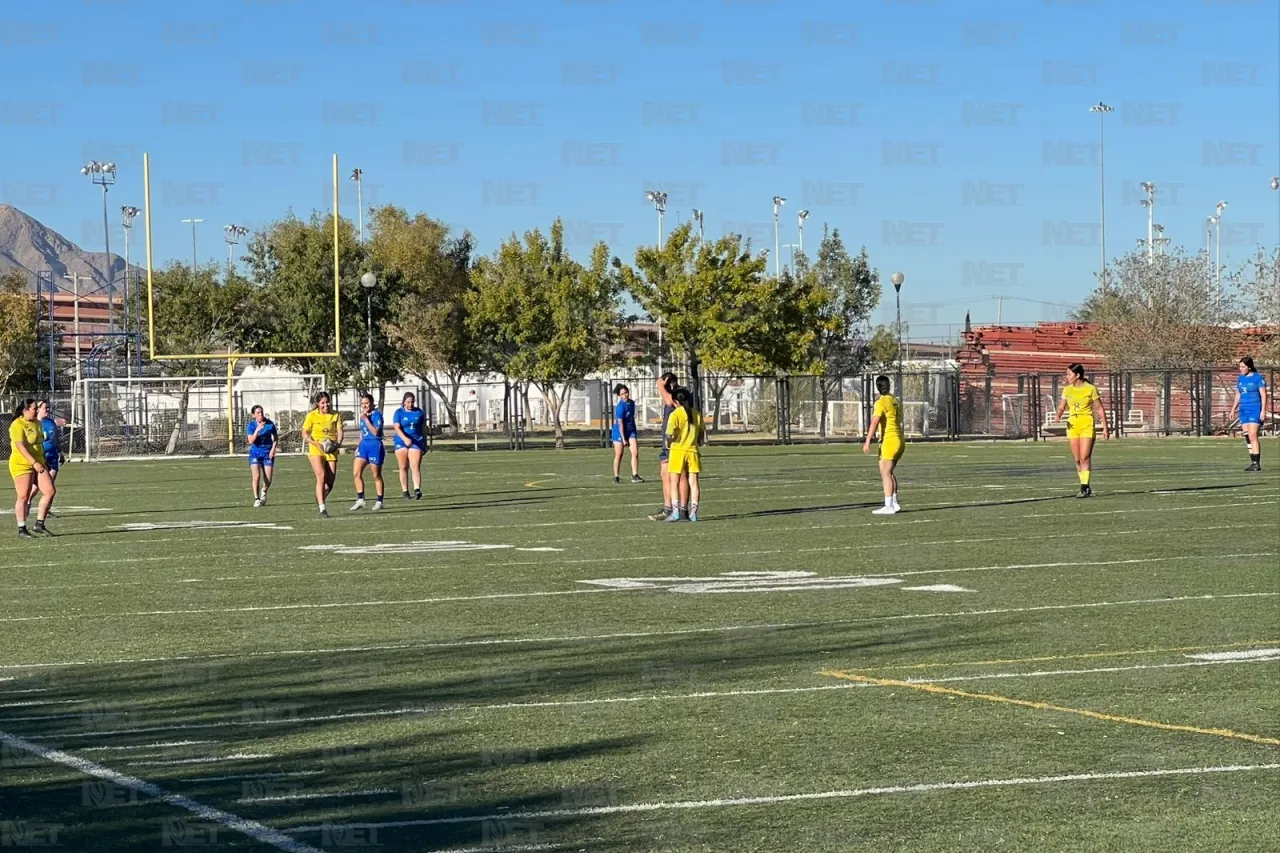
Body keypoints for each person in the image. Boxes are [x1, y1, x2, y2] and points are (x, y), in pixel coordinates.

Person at [1055, 363, 1109, 497]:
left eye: (1069, 374)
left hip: (1087, 424)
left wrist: (1105, 428)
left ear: (1077, 375)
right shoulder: (1067, 390)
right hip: (1073, 425)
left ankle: (1084, 487)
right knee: (1077, 459)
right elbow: (1062, 406)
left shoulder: (1090, 389)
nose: (1067, 377)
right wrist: (1058, 415)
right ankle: (1085, 485)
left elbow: (1099, 409)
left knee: (1085, 457)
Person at [9, 399, 54, 538]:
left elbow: (39, 444)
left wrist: (42, 461)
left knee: (50, 491)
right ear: (25, 410)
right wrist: (33, 462)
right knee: (23, 496)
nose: (36, 411)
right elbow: (20, 446)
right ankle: (22, 528)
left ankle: (39, 524)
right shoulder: (17, 424)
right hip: (22, 464)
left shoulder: (37, 423)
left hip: (39, 463)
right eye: (34, 408)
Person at [863, 375, 904, 515]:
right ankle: (894, 502)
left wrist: (868, 440)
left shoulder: (880, 402)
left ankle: (888, 506)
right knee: (890, 472)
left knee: (885, 473)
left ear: (878, 387)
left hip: (889, 440)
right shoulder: (895, 400)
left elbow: (875, 421)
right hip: (900, 440)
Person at [649, 373, 688, 521]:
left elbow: (670, 402)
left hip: (679, 442)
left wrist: (660, 385)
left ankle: (683, 509)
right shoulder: (670, 393)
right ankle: (668, 508)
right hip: (667, 441)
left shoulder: (681, 392)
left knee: (681, 476)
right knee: (665, 474)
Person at [664, 386, 703, 522]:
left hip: (678, 451)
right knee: (694, 483)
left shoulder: (675, 414)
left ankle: (675, 513)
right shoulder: (697, 414)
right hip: (692, 450)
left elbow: (669, 434)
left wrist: (668, 442)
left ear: (675, 401)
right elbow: (701, 435)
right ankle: (693, 513)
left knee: (674, 482)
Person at [302, 391, 342, 518]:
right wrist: (314, 443)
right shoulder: (312, 416)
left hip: (331, 449)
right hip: (316, 449)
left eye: (327, 402)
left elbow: (340, 432)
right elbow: (304, 433)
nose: (326, 405)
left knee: (330, 483)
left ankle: (319, 497)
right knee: (321, 476)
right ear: (318, 404)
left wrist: (338, 444)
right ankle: (322, 508)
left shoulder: (335, 415)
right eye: (323, 403)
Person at [1232, 356, 1268, 472]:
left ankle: (1256, 463)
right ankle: (1252, 462)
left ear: (1249, 367)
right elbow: (1238, 394)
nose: (1241, 369)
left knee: (1253, 435)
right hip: (1243, 409)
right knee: (1247, 435)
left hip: (1255, 408)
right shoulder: (1240, 379)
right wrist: (1233, 409)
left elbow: (1263, 395)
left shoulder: (1257, 378)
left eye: (1243, 367)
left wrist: (1263, 410)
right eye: (1240, 367)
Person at [351, 393, 386, 511]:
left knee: (376, 475)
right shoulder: (363, 415)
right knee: (356, 472)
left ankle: (379, 501)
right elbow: (362, 432)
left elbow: (375, 432)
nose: (364, 405)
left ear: (371, 403)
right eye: (362, 403)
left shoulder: (377, 415)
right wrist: (358, 445)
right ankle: (361, 499)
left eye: (366, 403)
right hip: (364, 446)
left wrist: (366, 419)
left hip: (375, 446)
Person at [28, 400, 60, 517]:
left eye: (48, 408)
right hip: (42, 458)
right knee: (39, 486)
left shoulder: (51, 422)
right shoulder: (35, 423)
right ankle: (27, 500)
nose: (47, 410)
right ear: (38, 409)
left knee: (50, 485)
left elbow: (56, 440)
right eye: (45, 408)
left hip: (53, 457)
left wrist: (60, 452)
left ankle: (46, 510)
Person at [392, 392, 426, 500]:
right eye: (408, 402)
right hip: (401, 442)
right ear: (404, 402)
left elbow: (423, 428)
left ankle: (417, 490)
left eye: (412, 402)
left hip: (416, 441)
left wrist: (424, 442)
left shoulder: (419, 412)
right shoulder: (398, 413)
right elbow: (397, 428)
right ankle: (405, 491)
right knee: (403, 467)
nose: (410, 404)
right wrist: (405, 439)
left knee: (415, 465)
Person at [246, 405, 278, 508]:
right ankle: (256, 498)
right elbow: (250, 441)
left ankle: (263, 491)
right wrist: (257, 430)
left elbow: (276, 438)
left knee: (268, 479)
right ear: (253, 415)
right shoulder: (251, 425)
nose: (260, 415)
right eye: (258, 413)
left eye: (261, 412)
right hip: (255, 453)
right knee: (256, 476)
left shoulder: (270, 424)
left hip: (267, 453)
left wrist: (273, 449)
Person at [610, 384, 642, 484]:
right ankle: (616, 476)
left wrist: (632, 431)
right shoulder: (620, 407)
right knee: (619, 454)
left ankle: (635, 475)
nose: (625, 395)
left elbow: (631, 418)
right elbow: (620, 424)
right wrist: (624, 439)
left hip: (630, 430)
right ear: (620, 395)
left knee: (635, 452)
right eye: (622, 394)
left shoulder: (632, 403)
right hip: (619, 432)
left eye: (626, 392)